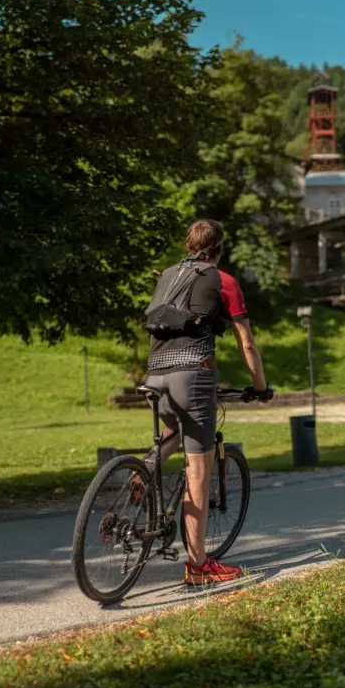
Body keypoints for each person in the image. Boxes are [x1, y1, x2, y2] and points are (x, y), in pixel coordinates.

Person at [140, 219, 272, 586]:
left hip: (154, 374)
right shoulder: (224, 280)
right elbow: (246, 342)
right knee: (199, 470)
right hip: (192, 376)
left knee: (174, 430)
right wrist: (260, 387)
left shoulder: (168, 275)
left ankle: (143, 470)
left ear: (188, 245)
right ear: (219, 248)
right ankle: (198, 566)